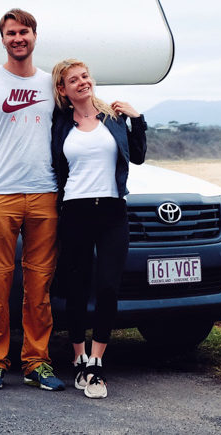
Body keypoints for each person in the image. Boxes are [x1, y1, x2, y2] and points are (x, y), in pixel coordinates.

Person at [0, 8, 65, 391]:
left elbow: (79, 119)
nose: (18, 38)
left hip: (45, 195)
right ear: (2, 38)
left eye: (24, 32)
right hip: (0, 196)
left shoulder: (50, 84)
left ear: (35, 36)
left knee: (39, 287)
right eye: (11, 33)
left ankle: (36, 362)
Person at [50, 58, 147, 399]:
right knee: (76, 287)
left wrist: (138, 120)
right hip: (75, 211)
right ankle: (78, 356)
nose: (82, 82)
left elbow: (137, 157)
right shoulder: (60, 122)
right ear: (62, 89)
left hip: (112, 211)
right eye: (73, 80)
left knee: (107, 287)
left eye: (85, 76)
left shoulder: (114, 118)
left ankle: (96, 363)